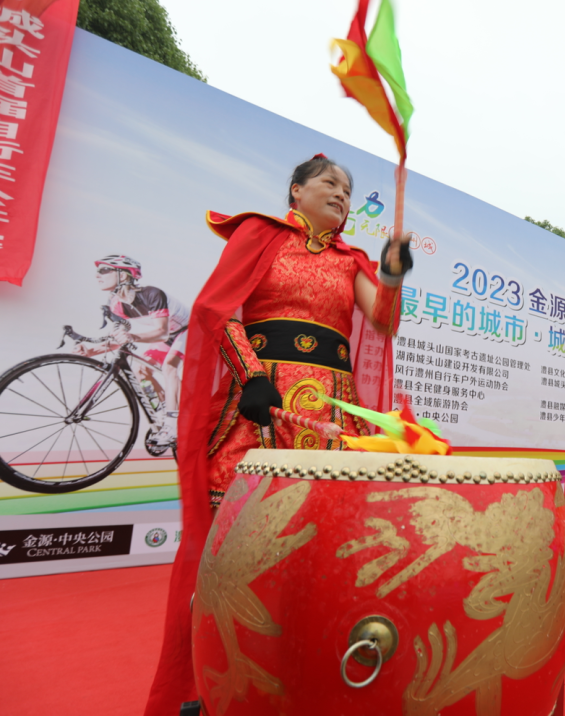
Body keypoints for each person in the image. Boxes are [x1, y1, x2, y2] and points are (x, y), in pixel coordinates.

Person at [144, 154, 411, 715]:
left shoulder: (350, 260)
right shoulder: (261, 234)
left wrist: (391, 273)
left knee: (325, 545)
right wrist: (252, 377)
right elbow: (220, 308)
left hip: (333, 416)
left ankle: (304, 667)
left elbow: (383, 321)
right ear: (296, 191)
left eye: (347, 189)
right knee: (236, 548)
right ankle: (214, 677)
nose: (340, 193)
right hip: (262, 406)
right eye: (329, 183)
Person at [74, 255, 189, 444]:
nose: (97, 275)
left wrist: (133, 337)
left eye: (104, 270)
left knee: (169, 367)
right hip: (170, 335)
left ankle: (173, 423)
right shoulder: (115, 304)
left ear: (125, 275)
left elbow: (161, 332)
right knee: (140, 369)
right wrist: (92, 351)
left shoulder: (152, 294)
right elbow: (118, 339)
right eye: (98, 271)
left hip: (189, 329)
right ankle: (166, 408)